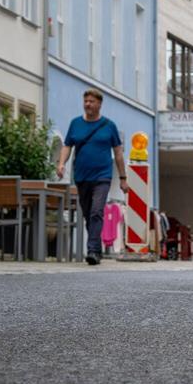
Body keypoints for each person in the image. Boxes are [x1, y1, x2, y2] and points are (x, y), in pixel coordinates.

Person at [56, 88, 128, 265]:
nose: (88, 104)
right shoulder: (75, 124)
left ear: (99, 104)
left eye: (91, 101)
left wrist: (123, 178)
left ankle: (93, 251)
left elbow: (118, 153)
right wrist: (61, 163)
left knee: (97, 211)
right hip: (81, 176)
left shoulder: (109, 126)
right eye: (86, 101)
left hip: (102, 176)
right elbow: (67, 146)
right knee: (89, 214)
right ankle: (96, 246)